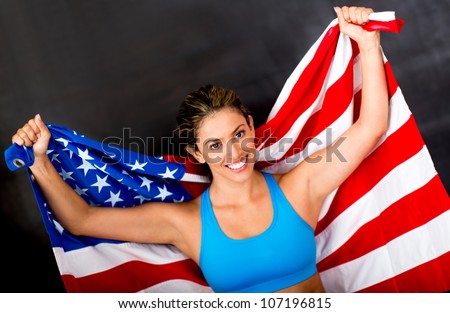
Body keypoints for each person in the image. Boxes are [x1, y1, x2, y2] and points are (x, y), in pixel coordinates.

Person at [11, 6, 388, 293]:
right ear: (196, 154)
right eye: (215, 145)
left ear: (252, 127)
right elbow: (82, 220)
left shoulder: (300, 188)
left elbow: (370, 127)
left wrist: (367, 43)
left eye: (239, 134)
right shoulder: (185, 223)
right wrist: (41, 161)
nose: (235, 153)